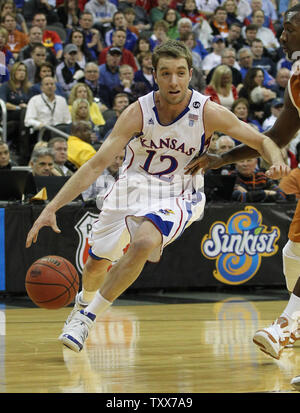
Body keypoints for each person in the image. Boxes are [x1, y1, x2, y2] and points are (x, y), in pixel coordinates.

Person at [25, 40, 288, 353]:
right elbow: (96, 164)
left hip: (180, 190)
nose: (173, 81)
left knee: (145, 242)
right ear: (154, 75)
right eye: (165, 73)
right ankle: (82, 305)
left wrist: (277, 161)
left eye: (180, 73)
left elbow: (262, 140)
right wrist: (52, 207)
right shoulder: (137, 112)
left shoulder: (207, 111)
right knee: (95, 266)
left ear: (190, 74)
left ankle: (87, 318)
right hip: (131, 188)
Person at [184, 5, 300, 375]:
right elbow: (278, 136)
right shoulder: (296, 76)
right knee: (293, 259)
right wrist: (224, 158)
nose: (281, 36)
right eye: (281, 29)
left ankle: (285, 327)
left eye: (289, 29)